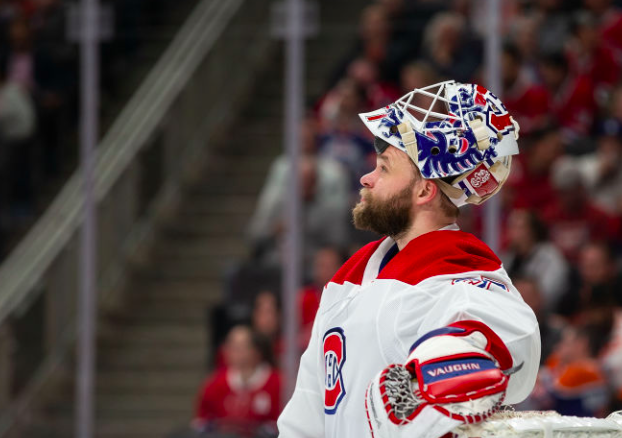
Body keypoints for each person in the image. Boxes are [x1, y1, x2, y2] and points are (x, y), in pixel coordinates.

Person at [278, 81, 540, 437]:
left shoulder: (459, 275)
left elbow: (510, 339)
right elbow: (307, 414)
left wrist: (455, 359)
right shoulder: (350, 277)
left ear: (424, 189)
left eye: (385, 168)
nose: (367, 178)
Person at [194, 326, 282, 437]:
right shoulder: (214, 383)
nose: (234, 352)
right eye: (231, 346)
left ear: (257, 351)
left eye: (241, 347)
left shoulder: (278, 383)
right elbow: (202, 423)